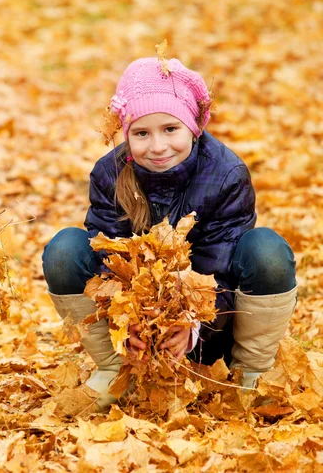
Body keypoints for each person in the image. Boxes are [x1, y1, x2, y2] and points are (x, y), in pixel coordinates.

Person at [42, 56, 297, 409]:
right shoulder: (109, 174)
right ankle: (115, 369)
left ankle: (250, 372)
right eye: (141, 133)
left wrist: (190, 323)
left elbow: (219, 267)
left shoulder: (225, 174)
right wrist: (125, 319)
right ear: (125, 134)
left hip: (214, 326)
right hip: (137, 337)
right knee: (64, 249)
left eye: (170, 129)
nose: (158, 146)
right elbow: (107, 259)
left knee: (266, 250)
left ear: (194, 126)